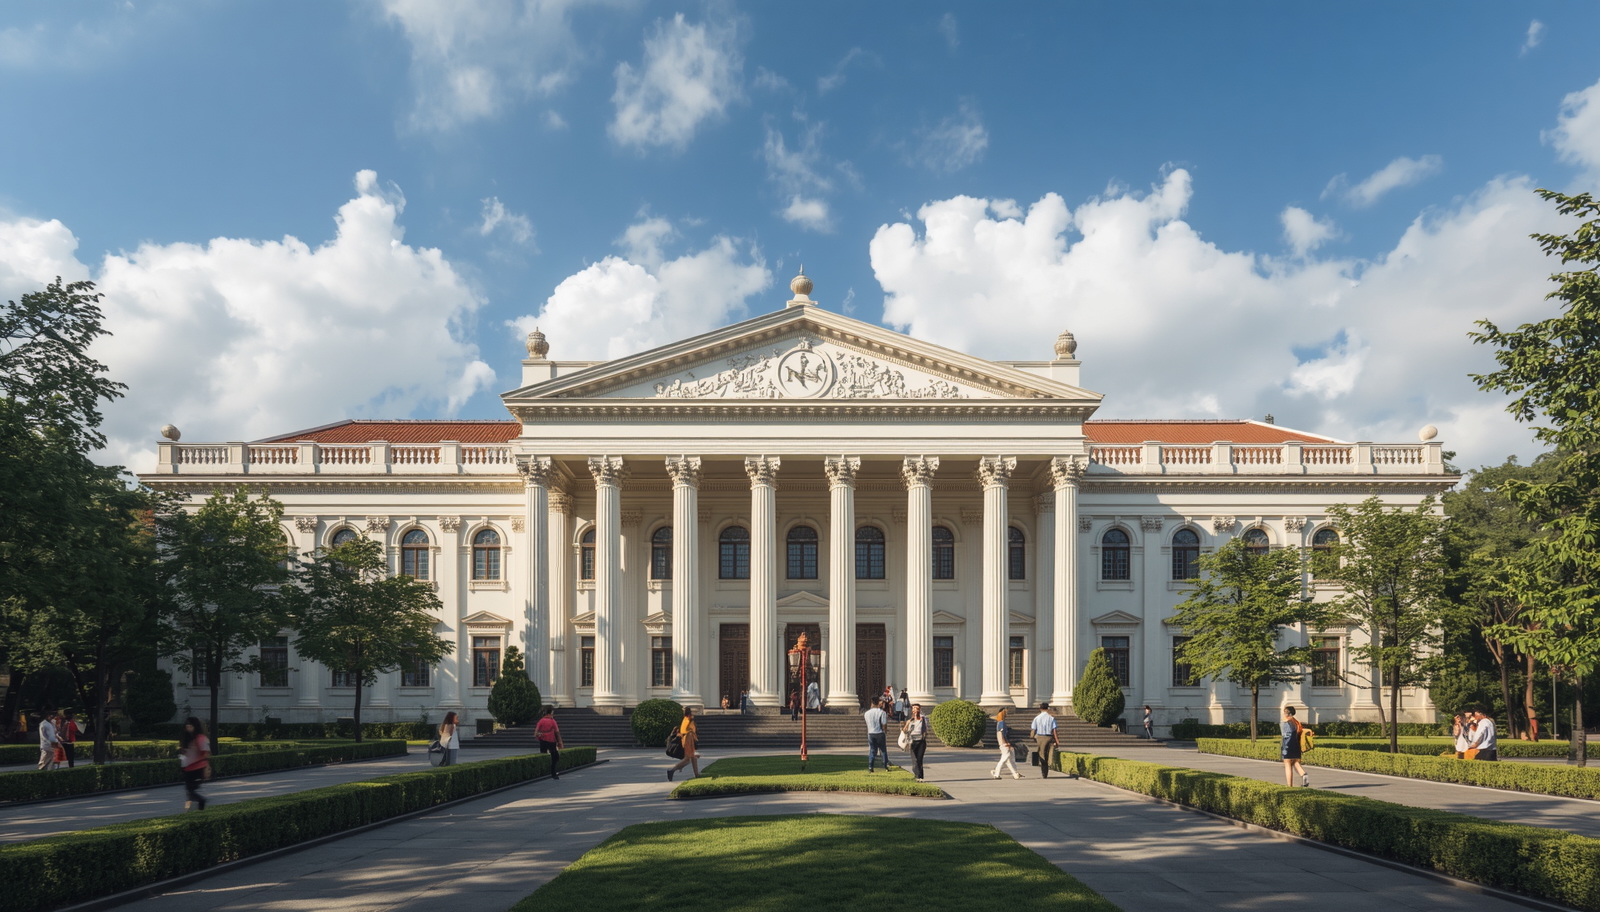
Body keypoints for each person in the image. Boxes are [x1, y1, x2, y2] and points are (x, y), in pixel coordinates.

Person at [179, 716, 210, 810]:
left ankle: (200, 802)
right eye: (187, 725)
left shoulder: (200, 738)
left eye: (190, 726)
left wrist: (207, 767)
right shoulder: (187, 738)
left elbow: (205, 752)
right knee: (189, 791)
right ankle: (196, 807)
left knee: (190, 790)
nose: (188, 727)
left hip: (197, 767)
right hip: (187, 767)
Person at [667, 706, 700, 781]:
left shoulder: (685, 720)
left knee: (693, 757)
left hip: (686, 739)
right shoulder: (689, 720)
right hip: (688, 739)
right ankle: (672, 770)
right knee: (687, 759)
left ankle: (696, 774)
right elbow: (692, 730)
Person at [1281, 705, 1309, 787]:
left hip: (1287, 745)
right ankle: (1304, 774)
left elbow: (1285, 735)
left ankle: (1289, 785)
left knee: (1288, 764)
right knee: (1296, 762)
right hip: (1296, 745)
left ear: (1286, 713)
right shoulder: (1297, 722)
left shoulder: (1285, 722)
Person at [902, 703, 930, 781]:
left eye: (917, 708)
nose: (915, 710)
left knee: (919, 759)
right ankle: (917, 775)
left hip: (921, 741)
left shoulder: (923, 720)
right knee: (915, 760)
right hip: (912, 741)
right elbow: (904, 731)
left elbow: (925, 729)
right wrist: (907, 725)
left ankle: (920, 776)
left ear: (919, 710)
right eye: (914, 708)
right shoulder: (910, 721)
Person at [1030, 702, 1059, 778]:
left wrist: (1032, 737)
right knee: (1048, 754)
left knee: (1041, 752)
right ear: (1048, 708)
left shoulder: (1037, 718)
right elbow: (1054, 731)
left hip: (1039, 737)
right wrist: (1057, 741)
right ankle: (1045, 770)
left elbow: (1033, 729)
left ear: (1040, 709)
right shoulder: (1051, 718)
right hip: (1049, 737)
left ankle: (1043, 767)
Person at [991, 708, 1021, 780]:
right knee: (1004, 758)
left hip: (1003, 743)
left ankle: (1015, 773)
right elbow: (1001, 734)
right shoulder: (1001, 723)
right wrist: (1006, 743)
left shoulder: (1000, 723)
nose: (1006, 714)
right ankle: (996, 774)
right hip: (1004, 743)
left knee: (1009, 760)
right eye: (1005, 713)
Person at [535, 706, 563, 780]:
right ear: (551, 712)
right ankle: (553, 773)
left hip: (543, 740)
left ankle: (542, 773)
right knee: (555, 757)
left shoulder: (541, 721)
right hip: (551, 740)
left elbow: (536, 732)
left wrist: (541, 735)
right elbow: (557, 732)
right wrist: (560, 742)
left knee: (543, 756)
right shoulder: (552, 721)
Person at [864, 699, 890, 772]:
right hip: (879, 733)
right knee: (883, 750)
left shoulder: (867, 713)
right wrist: (885, 731)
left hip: (871, 733)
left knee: (872, 750)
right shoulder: (882, 712)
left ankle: (870, 766)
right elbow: (884, 723)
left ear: (872, 703)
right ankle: (885, 765)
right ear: (878, 703)